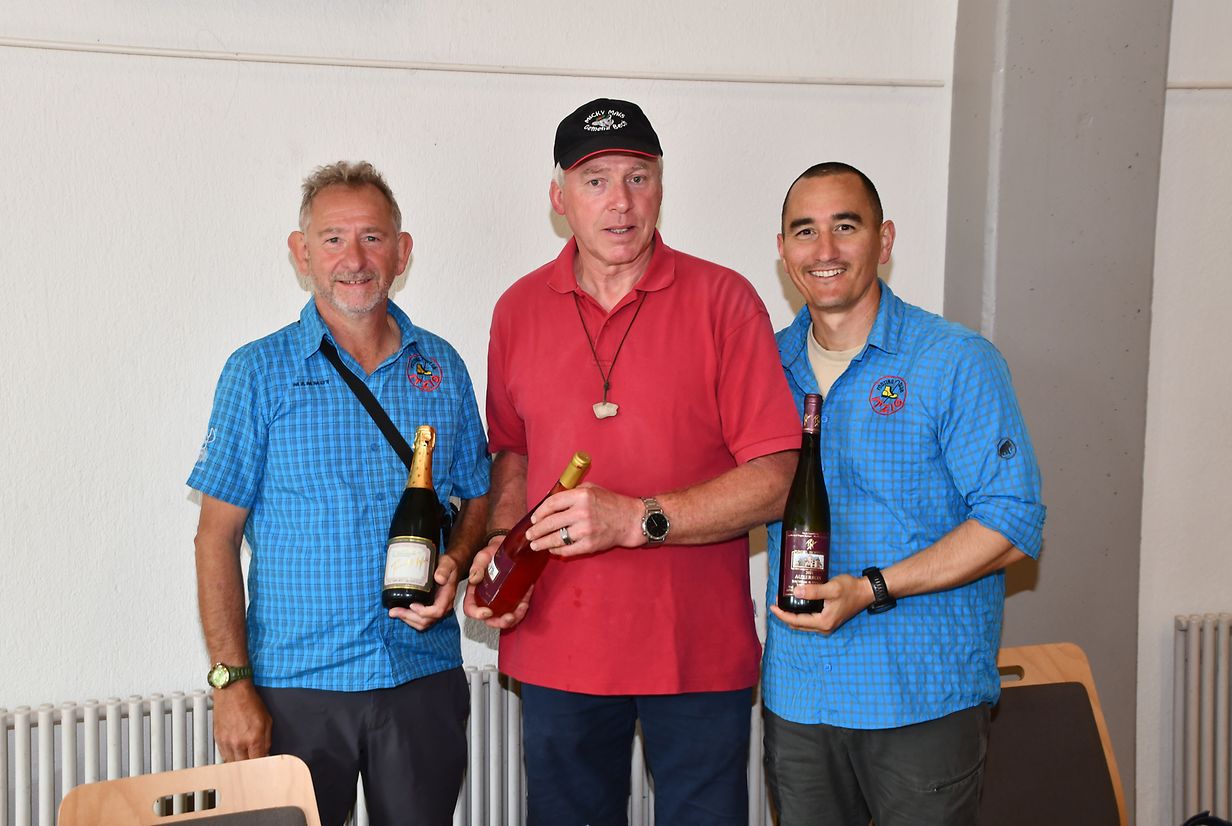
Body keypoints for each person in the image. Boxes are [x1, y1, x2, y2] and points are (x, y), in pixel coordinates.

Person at [462, 98, 801, 826]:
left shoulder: (725, 300)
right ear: (559, 198)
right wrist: (500, 550)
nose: (620, 201)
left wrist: (636, 519)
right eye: (596, 180)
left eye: (638, 178)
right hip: (556, 643)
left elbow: (777, 481)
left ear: (660, 188)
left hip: (695, 649)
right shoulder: (516, 310)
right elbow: (513, 452)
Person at [189, 161, 490, 826]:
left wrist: (456, 560)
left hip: (420, 678)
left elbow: (477, 496)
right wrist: (230, 685)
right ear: (301, 254)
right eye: (332, 239)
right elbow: (215, 538)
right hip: (296, 689)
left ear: (402, 252)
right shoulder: (257, 373)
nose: (354, 259)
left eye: (372, 238)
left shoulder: (441, 367)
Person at [761, 161, 1047, 826]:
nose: (825, 249)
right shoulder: (765, 367)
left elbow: (1011, 523)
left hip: (919, 700)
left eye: (845, 227)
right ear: (783, 251)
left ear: (884, 240)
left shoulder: (954, 360)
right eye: (805, 231)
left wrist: (873, 588)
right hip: (799, 699)